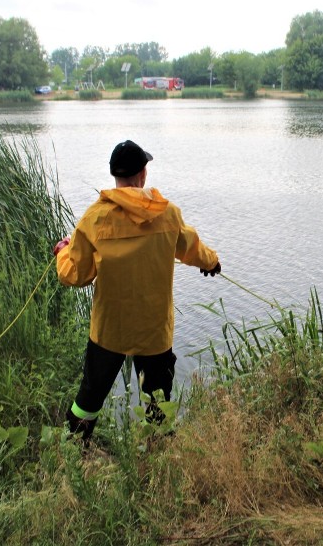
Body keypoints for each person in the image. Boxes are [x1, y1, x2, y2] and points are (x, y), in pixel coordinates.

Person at [53, 139, 221, 444]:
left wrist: (62, 252)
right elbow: (191, 247)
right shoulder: (167, 214)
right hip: (153, 331)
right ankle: (159, 461)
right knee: (158, 400)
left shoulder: (95, 218)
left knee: (90, 396)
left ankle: (73, 450)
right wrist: (211, 262)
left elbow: (75, 275)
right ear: (142, 175)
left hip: (109, 330)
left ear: (115, 177)